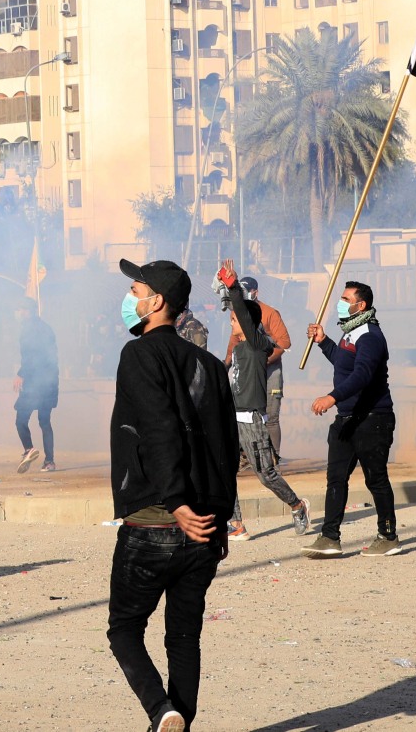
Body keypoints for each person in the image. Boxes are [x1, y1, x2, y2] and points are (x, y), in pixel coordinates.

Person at [107, 258, 240, 732]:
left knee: (124, 629)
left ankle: (163, 712)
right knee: (184, 636)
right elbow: (227, 447)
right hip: (205, 526)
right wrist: (222, 517)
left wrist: (178, 503)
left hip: (158, 519)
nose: (130, 297)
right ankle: (175, 722)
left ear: (156, 301)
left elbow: (160, 430)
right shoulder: (208, 364)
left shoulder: (139, 355)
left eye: (136, 288)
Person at [301, 281, 401, 558]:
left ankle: (388, 535)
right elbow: (344, 363)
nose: (341, 303)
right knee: (336, 479)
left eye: (346, 299)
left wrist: (331, 397)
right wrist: (324, 342)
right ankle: (330, 537)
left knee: (376, 479)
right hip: (346, 419)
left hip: (372, 419)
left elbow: (362, 374)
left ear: (361, 305)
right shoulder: (350, 333)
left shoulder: (370, 335)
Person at [216, 260, 310, 542]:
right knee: (225, 471)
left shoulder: (257, 345)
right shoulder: (240, 346)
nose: (231, 322)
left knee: (265, 474)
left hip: (252, 420)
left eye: (235, 319)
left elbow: (247, 318)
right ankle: (236, 524)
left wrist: (233, 287)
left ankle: (297, 505)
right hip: (234, 418)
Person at [224, 276, 290, 464]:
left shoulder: (270, 313)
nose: (244, 294)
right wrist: (225, 366)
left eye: (246, 290)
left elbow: (284, 342)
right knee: (244, 414)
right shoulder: (237, 314)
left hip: (270, 372)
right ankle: (247, 455)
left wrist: (263, 360)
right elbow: (233, 343)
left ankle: (274, 456)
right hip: (247, 373)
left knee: (270, 416)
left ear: (255, 292)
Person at [14, 297, 59, 474]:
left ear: (32, 310)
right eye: (19, 309)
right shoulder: (44, 328)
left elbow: (34, 356)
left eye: (23, 309)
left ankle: (29, 449)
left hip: (36, 382)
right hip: (49, 381)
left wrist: (21, 374)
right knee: (44, 421)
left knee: (20, 420)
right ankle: (50, 461)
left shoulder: (31, 329)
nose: (20, 313)